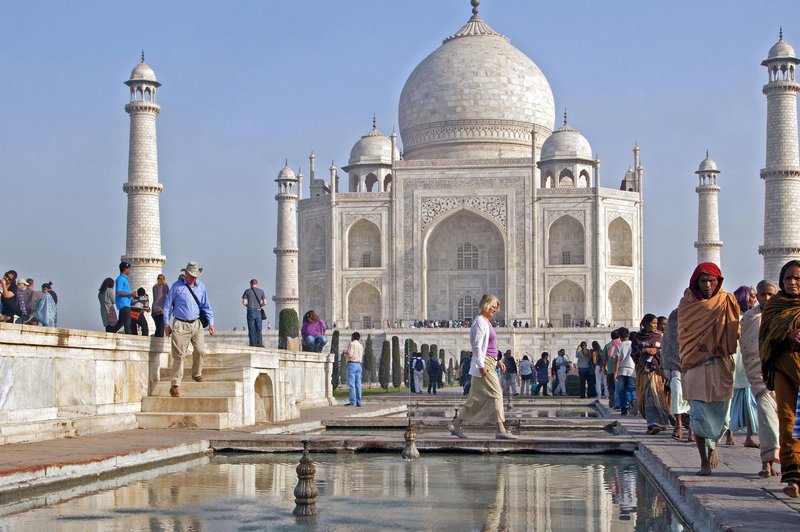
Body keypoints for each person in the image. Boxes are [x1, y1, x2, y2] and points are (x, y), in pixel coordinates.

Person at [678, 262, 739, 477]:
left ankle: (714, 448)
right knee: (699, 415)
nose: (707, 285)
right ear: (696, 282)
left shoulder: (726, 301)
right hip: (695, 364)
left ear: (718, 281)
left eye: (711, 281)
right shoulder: (687, 304)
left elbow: (734, 331)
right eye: (703, 281)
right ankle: (704, 461)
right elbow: (683, 334)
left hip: (719, 364)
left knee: (721, 416)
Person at [448, 294, 517, 439]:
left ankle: (456, 424)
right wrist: (481, 365)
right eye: (493, 306)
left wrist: (498, 360)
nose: (495, 310)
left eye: (497, 307)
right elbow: (477, 346)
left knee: (475, 399)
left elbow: (490, 345)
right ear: (485, 305)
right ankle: (500, 430)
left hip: (489, 361)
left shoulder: (487, 321)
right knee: (497, 393)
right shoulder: (479, 321)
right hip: (483, 363)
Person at [759, 260, 800, 497]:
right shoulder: (775, 306)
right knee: (788, 424)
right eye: (788, 278)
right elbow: (765, 341)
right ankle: (793, 478)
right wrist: (787, 336)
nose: (792, 283)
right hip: (785, 370)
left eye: (797, 278)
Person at [741, 279, 780, 478]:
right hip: (760, 377)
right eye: (763, 294)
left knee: (787, 423)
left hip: (783, 375)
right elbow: (748, 350)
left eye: (770, 294)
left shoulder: (784, 315)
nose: (767, 298)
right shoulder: (749, 317)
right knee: (766, 419)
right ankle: (767, 462)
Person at [163, 261, 215, 398]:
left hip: (196, 324)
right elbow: (167, 306)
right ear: (185, 274)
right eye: (192, 275)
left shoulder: (201, 287)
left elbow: (206, 306)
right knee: (179, 356)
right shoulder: (176, 287)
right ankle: (175, 385)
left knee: (200, 350)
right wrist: (166, 324)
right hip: (180, 324)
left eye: (196, 275)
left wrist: (211, 323)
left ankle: (196, 373)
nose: (194, 278)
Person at [726, 285, 759, 446]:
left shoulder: (754, 316)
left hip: (749, 362)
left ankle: (748, 437)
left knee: (749, 401)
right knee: (730, 398)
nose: (755, 298)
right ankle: (729, 433)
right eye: (752, 296)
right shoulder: (734, 318)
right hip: (735, 360)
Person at [633, 313, 670, 434]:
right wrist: (644, 350)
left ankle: (654, 424)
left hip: (656, 372)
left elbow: (665, 353)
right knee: (646, 397)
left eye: (655, 323)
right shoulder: (638, 337)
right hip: (644, 371)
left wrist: (656, 352)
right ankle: (655, 423)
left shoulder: (659, 336)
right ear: (645, 323)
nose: (655, 326)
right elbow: (634, 353)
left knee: (654, 395)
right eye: (652, 323)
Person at [661, 307, 692, 442]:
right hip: (676, 363)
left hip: (695, 362)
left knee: (695, 398)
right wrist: (665, 363)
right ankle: (678, 424)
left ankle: (693, 429)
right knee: (677, 393)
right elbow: (668, 341)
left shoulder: (700, 313)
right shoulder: (675, 315)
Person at [614, 328, 636, 416]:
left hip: (622, 370)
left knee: (622, 390)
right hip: (632, 369)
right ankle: (633, 401)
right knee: (632, 388)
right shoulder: (633, 345)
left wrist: (615, 372)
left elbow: (617, 360)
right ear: (628, 335)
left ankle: (624, 409)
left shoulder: (619, 346)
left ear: (619, 336)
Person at [242, 279, 267, 347]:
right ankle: (259, 343)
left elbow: (244, 302)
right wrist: (260, 305)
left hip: (250, 311)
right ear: (257, 284)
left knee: (251, 328)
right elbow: (265, 302)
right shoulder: (261, 291)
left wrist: (249, 305)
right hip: (258, 311)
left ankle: (252, 343)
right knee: (259, 328)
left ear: (250, 284)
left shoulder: (247, 291)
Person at [115, 262, 136, 335]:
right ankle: (129, 338)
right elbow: (118, 292)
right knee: (127, 322)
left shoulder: (124, 279)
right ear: (125, 269)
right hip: (123, 303)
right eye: (128, 269)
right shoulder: (120, 279)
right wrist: (130, 294)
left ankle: (110, 332)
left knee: (121, 322)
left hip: (126, 303)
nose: (129, 270)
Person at [344, 331, 364, 406]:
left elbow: (350, 354)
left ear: (353, 337)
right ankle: (359, 401)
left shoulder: (352, 344)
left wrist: (345, 354)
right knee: (358, 384)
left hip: (352, 364)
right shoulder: (361, 345)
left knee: (352, 384)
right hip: (359, 365)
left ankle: (352, 401)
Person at [603, 330, 621, 409]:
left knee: (611, 388)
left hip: (610, 370)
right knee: (620, 388)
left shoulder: (607, 346)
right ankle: (619, 403)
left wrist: (604, 367)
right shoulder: (621, 344)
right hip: (620, 370)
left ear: (611, 337)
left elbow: (604, 359)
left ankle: (612, 402)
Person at [152, 274, 169, 338]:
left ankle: (155, 342)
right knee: (161, 328)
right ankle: (157, 344)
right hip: (161, 309)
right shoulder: (165, 286)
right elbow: (169, 295)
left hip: (154, 309)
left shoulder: (154, 287)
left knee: (158, 328)